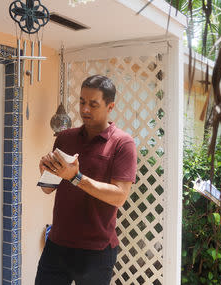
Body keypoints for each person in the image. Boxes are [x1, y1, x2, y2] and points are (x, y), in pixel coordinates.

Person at [35, 75, 137, 285]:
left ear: (110, 106)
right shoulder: (65, 138)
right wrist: (45, 171)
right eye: (82, 102)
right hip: (57, 245)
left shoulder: (122, 143)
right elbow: (48, 189)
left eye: (93, 104)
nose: (85, 110)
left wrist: (76, 178)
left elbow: (119, 196)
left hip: (96, 252)